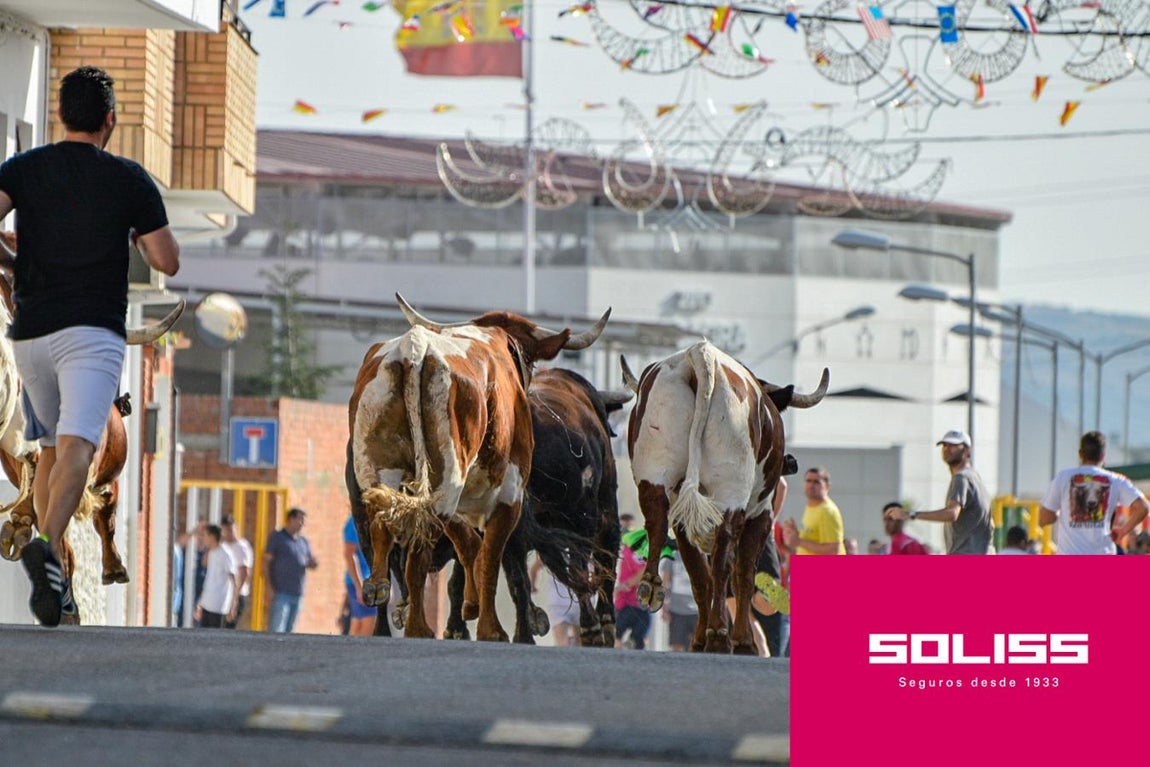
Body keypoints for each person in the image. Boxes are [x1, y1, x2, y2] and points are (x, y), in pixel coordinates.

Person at [0, 65, 180, 628]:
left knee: (51, 450)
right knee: (80, 444)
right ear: (110, 120)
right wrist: (135, 231)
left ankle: (50, 563)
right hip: (92, 334)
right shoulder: (129, 180)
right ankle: (49, 550)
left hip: (31, 335)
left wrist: (10, 261)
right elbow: (167, 260)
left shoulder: (23, 169)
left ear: (61, 115)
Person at [1039, 431, 1148, 555]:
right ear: (1103, 456)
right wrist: (1123, 531)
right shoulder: (1116, 480)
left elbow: (1044, 518)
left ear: (1080, 454)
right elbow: (1143, 507)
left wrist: (1057, 515)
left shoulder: (1063, 478)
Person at [889, 430, 993, 554]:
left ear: (967, 450)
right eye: (945, 445)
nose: (947, 449)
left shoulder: (961, 478)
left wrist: (911, 514)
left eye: (953, 445)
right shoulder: (975, 478)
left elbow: (952, 513)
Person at [264, 507, 319, 633]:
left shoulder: (303, 541)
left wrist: (313, 563)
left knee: (290, 631)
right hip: (280, 592)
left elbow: (309, 561)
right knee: (277, 629)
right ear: (290, 520)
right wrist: (269, 587)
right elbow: (266, 562)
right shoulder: (277, 537)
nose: (302, 524)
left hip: (298, 593)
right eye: (300, 520)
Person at [781, 467, 845, 556]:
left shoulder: (827, 511)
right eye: (808, 481)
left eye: (816, 482)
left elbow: (834, 550)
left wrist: (799, 541)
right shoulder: (812, 507)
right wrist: (796, 535)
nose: (811, 485)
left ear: (827, 486)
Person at [195, 524, 238, 629]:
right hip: (207, 604)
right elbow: (209, 579)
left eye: (205, 535)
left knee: (215, 635)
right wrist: (200, 603)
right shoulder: (211, 552)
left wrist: (233, 604)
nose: (203, 538)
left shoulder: (225, 554)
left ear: (212, 537)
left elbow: (234, 579)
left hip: (219, 605)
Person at [529, 557, 580, 647]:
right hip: (577, 601)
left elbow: (534, 569)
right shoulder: (582, 552)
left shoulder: (552, 552)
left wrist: (533, 586)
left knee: (562, 643)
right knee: (579, 641)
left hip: (557, 602)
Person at [659, 539, 698, 653]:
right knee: (676, 646)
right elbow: (665, 583)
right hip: (677, 610)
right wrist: (664, 608)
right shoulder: (673, 555)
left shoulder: (701, 555)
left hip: (697, 611)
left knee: (697, 646)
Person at [342, 515, 376, 636]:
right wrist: (359, 586)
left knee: (358, 625)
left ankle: (348, 649)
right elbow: (349, 554)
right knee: (367, 625)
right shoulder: (355, 521)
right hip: (360, 582)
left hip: (372, 581)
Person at [220, 514, 254, 629]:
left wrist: (235, 596)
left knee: (229, 627)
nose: (229, 533)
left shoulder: (242, 546)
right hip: (223, 593)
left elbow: (244, 573)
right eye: (226, 530)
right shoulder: (222, 545)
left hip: (238, 594)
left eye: (231, 530)